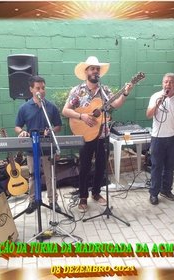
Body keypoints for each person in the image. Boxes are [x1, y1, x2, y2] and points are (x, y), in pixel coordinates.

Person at [62, 56, 133, 212]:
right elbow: (65, 110)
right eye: (92, 68)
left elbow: (116, 104)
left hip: (102, 134)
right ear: (86, 71)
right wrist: (82, 116)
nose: (95, 71)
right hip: (85, 135)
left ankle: (96, 193)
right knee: (85, 166)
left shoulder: (104, 90)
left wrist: (125, 93)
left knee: (101, 165)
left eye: (97, 69)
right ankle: (82, 197)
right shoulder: (77, 91)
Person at [15, 75, 62, 214]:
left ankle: (53, 201)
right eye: (37, 88)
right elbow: (17, 126)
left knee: (50, 176)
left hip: (48, 147)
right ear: (31, 89)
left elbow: (58, 126)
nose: (41, 91)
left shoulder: (51, 107)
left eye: (43, 88)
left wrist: (51, 130)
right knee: (32, 175)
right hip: (32, 148)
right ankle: (32, 201)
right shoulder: (24, 108)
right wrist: (22, 132)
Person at [146, 73, 174, 205]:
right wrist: (158, 103)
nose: (167, 84)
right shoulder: (155, 96)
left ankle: (166, 190)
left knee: (170, 167)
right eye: (165, 82)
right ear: (162, 83)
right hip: (158, 138)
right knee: (156, 166)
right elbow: (148, 115)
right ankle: (154, 193)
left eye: (170, 82)